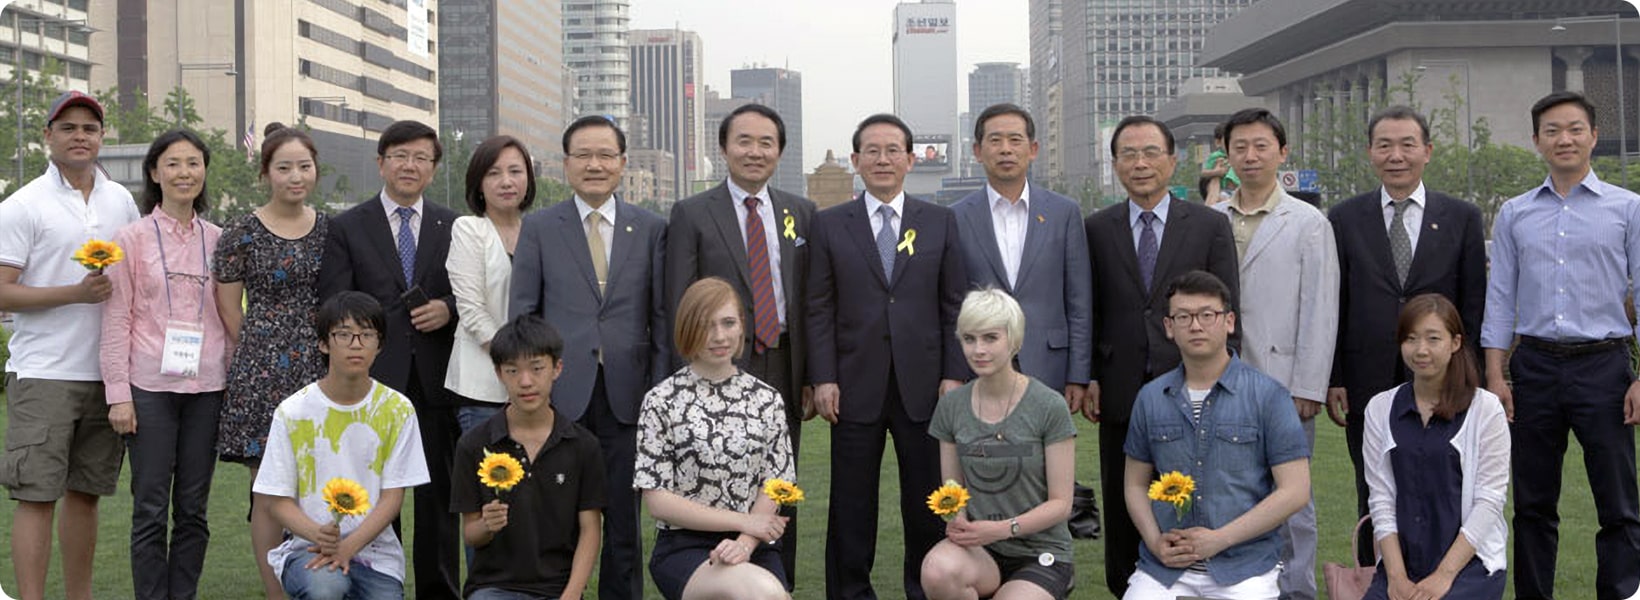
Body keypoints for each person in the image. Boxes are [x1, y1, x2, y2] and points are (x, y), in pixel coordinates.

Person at [1482, 91, 1640, 600]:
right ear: (1537, 141)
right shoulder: (1515, 213)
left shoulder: (1628, 208)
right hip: (1534, 368)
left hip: (1605, 366)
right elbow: (1500, 298)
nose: (1564, 139)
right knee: (1532, 504)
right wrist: (1495, 375)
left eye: (1574, 129)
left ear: (1594, 136)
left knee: (1618, 503)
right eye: (1552, 131)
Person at [808, 113, 967, 600]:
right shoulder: (829, 224)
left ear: (910, 160)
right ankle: (849, 592)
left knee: (928, 502)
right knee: (851, 504)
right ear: (855, 160)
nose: (883, 159)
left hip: (926, 387)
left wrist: (954, 374)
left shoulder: (940, 221)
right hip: (853, 385)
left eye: (893, 150)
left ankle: (927, 589)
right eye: (872, 151)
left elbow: (954, 304)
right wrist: (823, 376)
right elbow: (819, 307)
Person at [510, 115, 668, 600]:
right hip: (560, 395)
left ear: (622, 162)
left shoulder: (652, 228)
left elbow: (661, 319)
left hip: (629, 395)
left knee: (624, 523)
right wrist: (530, 387)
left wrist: (660, 391)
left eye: (605, 155)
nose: (594, 164)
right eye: (583, 155)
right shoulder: (539, 227)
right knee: (555, 517)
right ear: (566, 164)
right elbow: (524, 315)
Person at [1082, 115, 1240, 597]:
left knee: (1196, 497)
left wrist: (1225, 378)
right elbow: (1088, 308)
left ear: (1172, 161)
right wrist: (1089, 375)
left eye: (1151, 152)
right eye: (1128, 154)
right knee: (1122, 500)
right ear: (1115, 165)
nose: (1140, 163)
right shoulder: (1096, 228)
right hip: (1120, 386)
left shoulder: (1209, 225)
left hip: (1193, 383)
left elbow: (1228, 305)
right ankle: (1127, 587)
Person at [664, 102, 817, 586]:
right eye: (744, 141)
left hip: (784, 361)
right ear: (724, 148)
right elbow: (678, 300)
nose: (755, 152)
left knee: (780, 479)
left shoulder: (801, 212)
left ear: (780, 152)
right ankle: (714, 577)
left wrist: (811, 375)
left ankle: (776, 579)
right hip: (718, 363)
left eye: (766, 143)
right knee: (717, 473)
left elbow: (810, 300)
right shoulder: (692, 213)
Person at [1325, 106, 1488, 561]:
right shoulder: (1345, 218)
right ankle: (1374, 577)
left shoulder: (1461, 217)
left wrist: (1470, 374)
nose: (1395, 156)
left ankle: (1443, 578)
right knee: (1372, 488)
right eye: (1384, 145)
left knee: (1444, 485)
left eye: (1407, 145)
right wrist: (1335, 377)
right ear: (1370, 152)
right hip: (1366, 378)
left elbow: (1473, 303)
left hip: (1443, 378)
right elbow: (1336, 303)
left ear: (1427, 151)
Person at [0, 90, 140, 600]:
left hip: (106, 375)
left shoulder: (120, 200)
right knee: (37, 497)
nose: (80, 136)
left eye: (89, 128)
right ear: (48, 136)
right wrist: (74, 294)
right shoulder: (23, 205)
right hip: (44, 373)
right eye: (68, 128)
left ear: (101, 137)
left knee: (85, 496)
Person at [318, 120, 463, 600]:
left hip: (436, 378)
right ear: (381, 163)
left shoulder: (452, 225)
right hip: (373, 379)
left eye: (421, 157)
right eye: (400, 156)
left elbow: (471, 293)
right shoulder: (347, 226)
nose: (410, 165)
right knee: (377, 495)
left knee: (438, 497)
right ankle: (380, 587)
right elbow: (335, 301)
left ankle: (439, 592)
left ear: (433, 168)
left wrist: (448, 308)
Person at [1212, 107, 1338, 600]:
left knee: (1291, 499)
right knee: (1225, 489)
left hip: (1283, 380)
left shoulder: (1308, 222)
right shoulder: (1211, 219)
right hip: (1219, 378)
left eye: (1261, 145)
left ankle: (1296, 589)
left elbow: (1320, 308)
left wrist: (1309, 386)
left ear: (1282, 152)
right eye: (1239, 147)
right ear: (1227, 155)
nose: (1250, 156)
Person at [1122, 270, 1310, 599]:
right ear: (1169, 326)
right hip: (1166, 568)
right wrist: (1154, 541)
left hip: (1244, 567)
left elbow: (1295, 491)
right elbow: (1135, 484)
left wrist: (1220, 539)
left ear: (1229, 321)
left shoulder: (1269, 396)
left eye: (1207, 315)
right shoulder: (1151, 398)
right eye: (1184, 317)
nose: (1196, 325)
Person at [99, 129, 229, 600]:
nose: (184, 173)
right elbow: (117, 317)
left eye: (193, 163)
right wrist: (118, 394)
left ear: (204, 171)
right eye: (173, 163)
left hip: (207, 386)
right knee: (150, 509)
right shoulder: (130, 239)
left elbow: (229, 314)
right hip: (149, 387)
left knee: (193, 509)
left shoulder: (220, 240)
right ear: (154, 172)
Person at [213, 122, 331, 598]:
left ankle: (314, 578)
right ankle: (275, 590)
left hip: (320, 369)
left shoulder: (330, 230)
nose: (295, 177)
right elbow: (228, 307)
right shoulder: (241, 232)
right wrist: (262, 350)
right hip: (260, 371)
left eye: (304, 166)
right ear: (265, 173)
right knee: (268, 486)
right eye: (284, 168)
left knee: (316, 481)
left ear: (316, 170)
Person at [253, 291, 430, 599]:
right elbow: (276, 501)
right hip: (309, 547)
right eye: (344, 334)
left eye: (366, 335)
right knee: (326, 588)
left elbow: (393, 498)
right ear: (324, 343)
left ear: (379, 344)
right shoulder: (293, 412)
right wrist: (319, 534)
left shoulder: (398, 409)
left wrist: (349, 546)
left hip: (377, 555)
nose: (356, 344)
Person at [636, 277, 795, 600]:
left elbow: (778, 483)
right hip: (685, 546)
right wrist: (746, 522)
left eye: (728, 323)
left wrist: (745, 542)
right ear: (687, 330)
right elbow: (658, 501)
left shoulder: (767, 399)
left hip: (755, 545)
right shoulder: (661, 401)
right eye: (706, 325)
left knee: (768, 593)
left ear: (742, 326)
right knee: (763, 593)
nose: (720, 336)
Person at [919, 288, 1077, 599]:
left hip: (1041, 551)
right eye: (969, 339)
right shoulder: (952, 405)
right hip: (980, 550)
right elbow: (952, 490)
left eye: (990, 338)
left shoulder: (1049, 405)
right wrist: (957, 520)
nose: (978, 350)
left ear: (1014, 339)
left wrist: (1001, 529)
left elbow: (1061, 504)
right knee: (937, 571)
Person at [1361, 294, 1508, 599]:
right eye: (1411, 338)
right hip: (1402, 565)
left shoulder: (1486, 410)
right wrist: (1396, 577)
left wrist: (1444, 575)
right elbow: (1381, 498)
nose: (1421, 350)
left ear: (1455, 343)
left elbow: (1489, 501)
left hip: (1468, 565)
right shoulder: (1379, 409)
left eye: (1433, 338)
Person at [450, 314, 605, 600]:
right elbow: (470, 533)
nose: (525, 381)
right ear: (499, 374)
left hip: (558, 589)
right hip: (493, 589)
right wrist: (486, 525)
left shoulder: (583, 445)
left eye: (536, 368)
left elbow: (590, 530)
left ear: (556, 368)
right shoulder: (474, 445)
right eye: (512, 371)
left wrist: (571, 594)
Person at [952, 103, 1092, 415]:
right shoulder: (956, 218)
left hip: (1049, 364)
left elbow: (1079, 301)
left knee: (1048, 445)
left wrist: (1079, 374)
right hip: (978, 368)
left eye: (1015, 140)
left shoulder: (1064, 213)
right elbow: (950, 303)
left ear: (1033, 149)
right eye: (995, 140)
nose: (1006, 149)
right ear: (977, 151)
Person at [446, 135, 537, 433]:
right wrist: (518, 364)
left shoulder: (538, 231)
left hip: (536, 388)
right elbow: (472, 311)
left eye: (515, 171)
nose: (506, 182)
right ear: (479, 184)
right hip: (483, 387)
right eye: (494, 173)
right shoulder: (469, 229)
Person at [1197, 122, 1237, 205]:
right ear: (1218, 143)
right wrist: (1217, 172)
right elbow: (1204, 173)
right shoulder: (1216, 156)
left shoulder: (1239, 158)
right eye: (1228, 140)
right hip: (1224, 191)